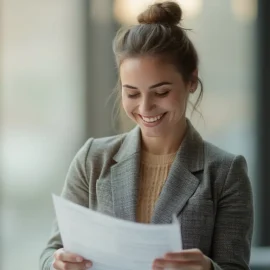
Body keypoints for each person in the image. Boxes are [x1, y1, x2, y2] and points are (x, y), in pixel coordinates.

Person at [40, 1, 254, 270]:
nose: (144, 107)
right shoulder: (93, 160)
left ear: (191, 80)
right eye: (131, 93)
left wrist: (208, 269)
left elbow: (235, 265)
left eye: (161, 92)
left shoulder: (225, 172)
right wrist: (57, 263)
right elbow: (52, 251)